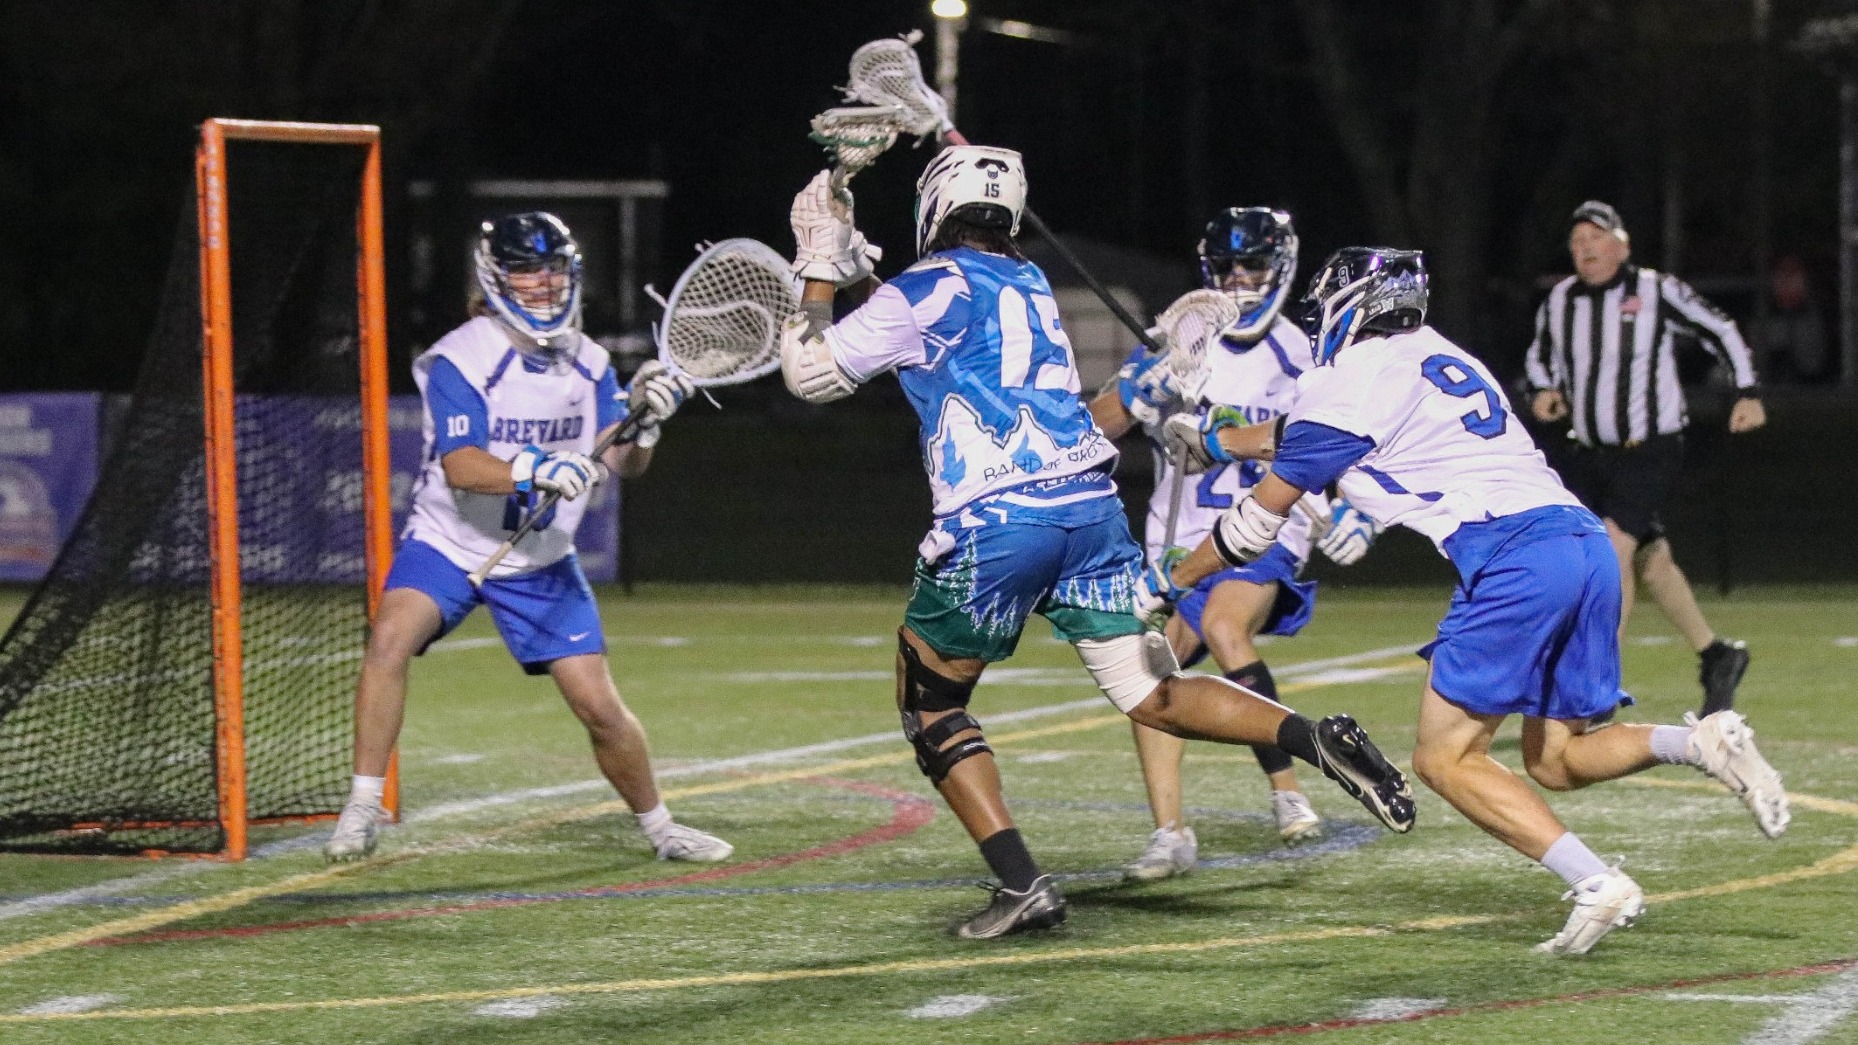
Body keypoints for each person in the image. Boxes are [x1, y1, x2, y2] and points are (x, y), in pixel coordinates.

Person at [778, 149, 1415, 939]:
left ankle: (1022, 884)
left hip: (998, 522)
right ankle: (1314, 738)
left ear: (935, 209)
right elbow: (924, 341)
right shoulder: (1028, 282)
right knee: (1158, 691)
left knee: (931, 700)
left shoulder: (924, 288)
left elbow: (811, 373)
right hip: (1090, 512)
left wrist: (816, 265)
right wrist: (858, 275)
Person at [1148, 246, 1789, 955]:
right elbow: (1301, 432)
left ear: (1352, 302)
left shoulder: (1351, 376)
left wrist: (1170, 579)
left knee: (1444, 758)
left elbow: (1251, 526)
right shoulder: (1442, 355)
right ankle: (1701, 741)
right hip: (1582, 544)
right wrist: (1216, 438)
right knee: (1556, 758)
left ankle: (1595, 881)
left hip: (1515, 558)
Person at [325, 212, 732, 865]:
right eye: (526, 269)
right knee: (389, 638)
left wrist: (645, 426)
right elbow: (462, 466)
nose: (543, 283)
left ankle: (661, 828)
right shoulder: (462, 356)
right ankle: (362, 804)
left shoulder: (593, 363)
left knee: (598, 704)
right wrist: (534, 468)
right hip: (452, 540)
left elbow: (624, 465)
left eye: (554, 269)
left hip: (540, 557)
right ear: (496, 276)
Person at [1087, 208, 1382, 880]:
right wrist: (1139, 390)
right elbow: (1090, 429)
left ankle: (1287, 789)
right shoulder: (1178, 335)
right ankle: (1170, 833)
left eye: (1254, 267)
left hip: (1268, 529)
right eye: (1230, 268)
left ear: (1280, 269)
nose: (1242, 280)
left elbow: (1352, 433)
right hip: (1177, 535)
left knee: (1224, 623)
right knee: (1146, 671)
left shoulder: (1303, 353)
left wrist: (1360, 509)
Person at [1524, 201, 1764, 718]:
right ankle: (1717, 655)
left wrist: (1746, 391)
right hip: (1590, 454)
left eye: (1596, 236)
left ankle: (1597, 685)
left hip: (1651, 447)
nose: (1584, 246)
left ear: (1621, 245)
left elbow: (1719, 328)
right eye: (1577, 239)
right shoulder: (1561, 300)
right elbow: (1540, 356)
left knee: (1612, 546)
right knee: (1652, 563)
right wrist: (1544, 389)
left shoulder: (1655, 290)